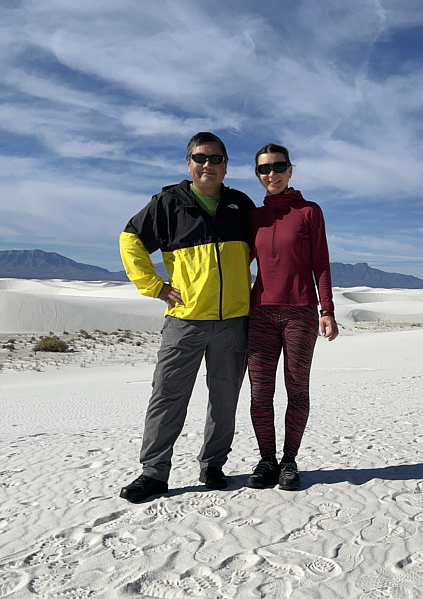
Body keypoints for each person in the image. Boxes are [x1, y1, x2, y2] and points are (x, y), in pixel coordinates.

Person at [118, 132, 255, 503]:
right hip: (186, 321)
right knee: (167, 396)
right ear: (188, 163)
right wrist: (156, 286)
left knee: (225, 398)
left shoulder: (240, 205)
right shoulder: (168, 204)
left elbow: (264, 250)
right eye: (200, 158)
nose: (207, 165)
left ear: (226, 164)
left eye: (215, 158)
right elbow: (130, 240)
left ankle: (213, 465)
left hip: (233, 321)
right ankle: (154, 473)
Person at [244, 143, 338, 491]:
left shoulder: (309, 211)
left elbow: (321, 263)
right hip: (260, 314)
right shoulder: (254, 217)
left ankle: (289, 461)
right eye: (264, 169)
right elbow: (239, 265)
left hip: (300, 314)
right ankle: (267, 459)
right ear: (258, 175)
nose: (272, 174)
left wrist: (326, 309)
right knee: (259, 392)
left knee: (297, 390)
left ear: (290, 169)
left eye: (278, 166)